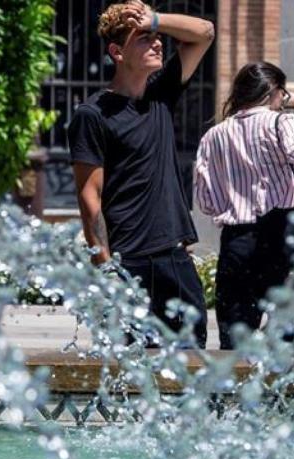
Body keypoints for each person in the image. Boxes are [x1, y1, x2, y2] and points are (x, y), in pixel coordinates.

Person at [69, 1, 214, 348]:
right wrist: (107, 271)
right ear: (117, 52)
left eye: (156, 36)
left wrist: (156, 20)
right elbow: (90, 199)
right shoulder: (93, 115)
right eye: (144, 38)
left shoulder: (161, 94)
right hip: (127, 264)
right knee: (129, 371)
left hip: (175, 259)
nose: (158, 42)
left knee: (192, 366)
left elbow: (205, 33)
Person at [194, 62, 294, 349]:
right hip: (280, 238)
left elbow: (207, 201)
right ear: (272, 89)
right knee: (287, 343)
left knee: (234, 345)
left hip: (235, 243)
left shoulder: (213, 136)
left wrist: (239, 195)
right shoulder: (281, 121)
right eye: (283, 94)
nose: (283, 100)